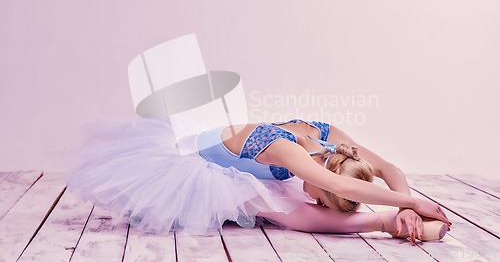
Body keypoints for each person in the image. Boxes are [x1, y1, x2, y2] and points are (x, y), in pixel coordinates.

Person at [66, 117, 451, 243]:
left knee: (286, 204)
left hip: (244, 167)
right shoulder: (289, 152)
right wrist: (416, 205)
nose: (317, 199)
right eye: (324, 198)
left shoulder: (333, 142)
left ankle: (391, 221)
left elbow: (390, 170)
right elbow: (343, 188)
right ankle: (384, 225)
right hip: (193, 163)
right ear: (327, 183)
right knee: (291, 214)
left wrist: (405, 201)